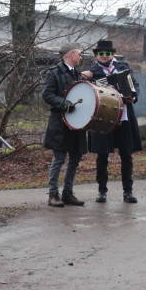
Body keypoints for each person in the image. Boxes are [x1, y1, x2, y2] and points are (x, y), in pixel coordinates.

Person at [81, 39, 142, 203]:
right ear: (96, 55)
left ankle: (127, 191)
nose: (104, 56)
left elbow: (134, 86)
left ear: (113, 54)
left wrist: (133, 97)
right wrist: (85, 78)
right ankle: (102, 191)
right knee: (102, 156)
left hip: (124, 117)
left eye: (107, 53)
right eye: (101, 53)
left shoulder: (123, 68)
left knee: (126, 155)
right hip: (102, 118)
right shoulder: (91, 72)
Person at [42, 43, 88, 207]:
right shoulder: (54, 73)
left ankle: (68, 193)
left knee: (75, 158)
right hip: (60, 121)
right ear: (70, 54)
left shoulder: (78, 75)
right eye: (79, 54)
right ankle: (53, 194)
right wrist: (65, 103)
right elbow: (47, 94)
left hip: (77, 122)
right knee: (59, 159)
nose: (81, 57)